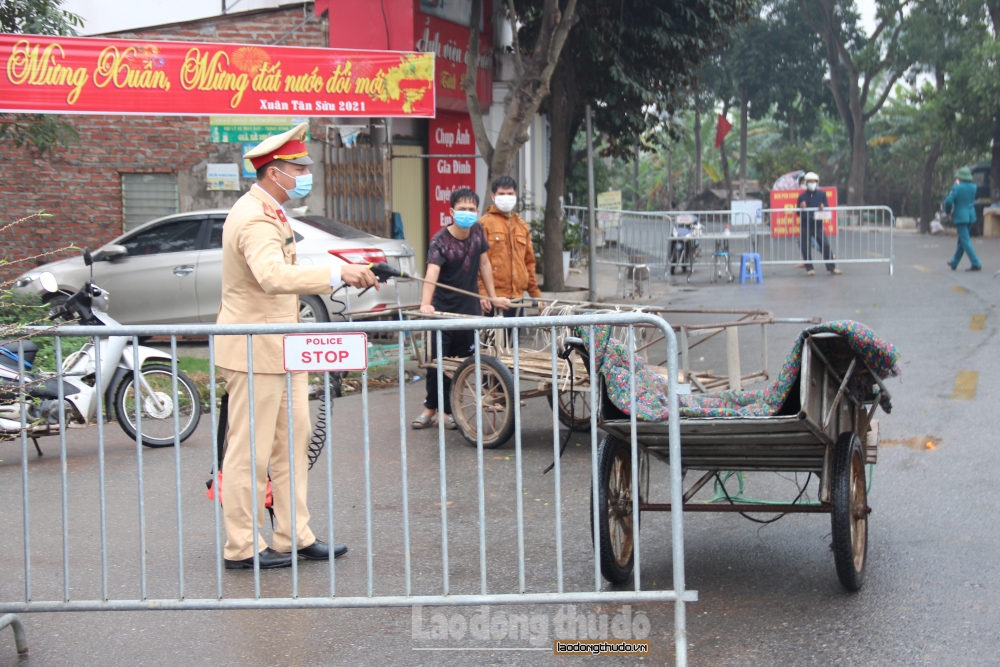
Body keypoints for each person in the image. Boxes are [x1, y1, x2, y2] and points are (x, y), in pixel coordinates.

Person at [216, 123, 379, 570]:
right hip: (253, 351)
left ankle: (293, 535)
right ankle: (242, 546)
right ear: (274, 172)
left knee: (293, 442)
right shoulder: (253, 216)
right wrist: (335, 276)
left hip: (283, 349)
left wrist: (339, 267)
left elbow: (283, 269)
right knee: (248, 451)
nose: (306, 173)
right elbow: (271, 276)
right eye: (298, 167)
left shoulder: (271, 211)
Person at [411, 188, 510, 430]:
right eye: (462, 209)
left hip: (469, 313)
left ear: (477, 212)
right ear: (452, 212)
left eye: (472, 209)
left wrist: (493, 296)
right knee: (437, 365)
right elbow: (431, 273)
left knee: (461, 365)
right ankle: (432, 409)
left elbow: (484, 264)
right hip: (442, 314)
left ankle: (448, 409)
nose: (467, 213)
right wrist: (427, 303)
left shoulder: (477, 232)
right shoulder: (440, 241)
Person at [477, 176, 542, 316]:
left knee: (515, 338)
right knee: (494, 338)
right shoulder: (484, 224)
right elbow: (478, 263)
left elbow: (529, 264)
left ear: (515, 196)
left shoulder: (522, 226)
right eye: (501, 194)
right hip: (493, 298)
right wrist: (483, 294)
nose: (506, 197)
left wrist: (537, 296)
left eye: (510, 193)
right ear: (493, 197)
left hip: (518, 298)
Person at [797, 172, 841, 276]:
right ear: (806, 183)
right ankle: (809, 268)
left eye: (814, 182)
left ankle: (832, 267)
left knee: (825, 245)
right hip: (805, 224)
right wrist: (801, 208)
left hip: (817, 224)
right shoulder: (802, 196)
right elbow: (797, 212)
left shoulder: (822, 194)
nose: (812, 184)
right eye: (810, 182)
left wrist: (822, 207)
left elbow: (826, 206)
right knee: (805, 246)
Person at [945, 167, 982, 271]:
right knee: (962, 240)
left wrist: (948, 212)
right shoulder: (973, 187)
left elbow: (948, 201)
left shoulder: (956, 188)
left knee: (965, 240)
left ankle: (976, 262)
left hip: (960, 216)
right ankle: (954, 262)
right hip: (970, 215)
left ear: (960, 178)